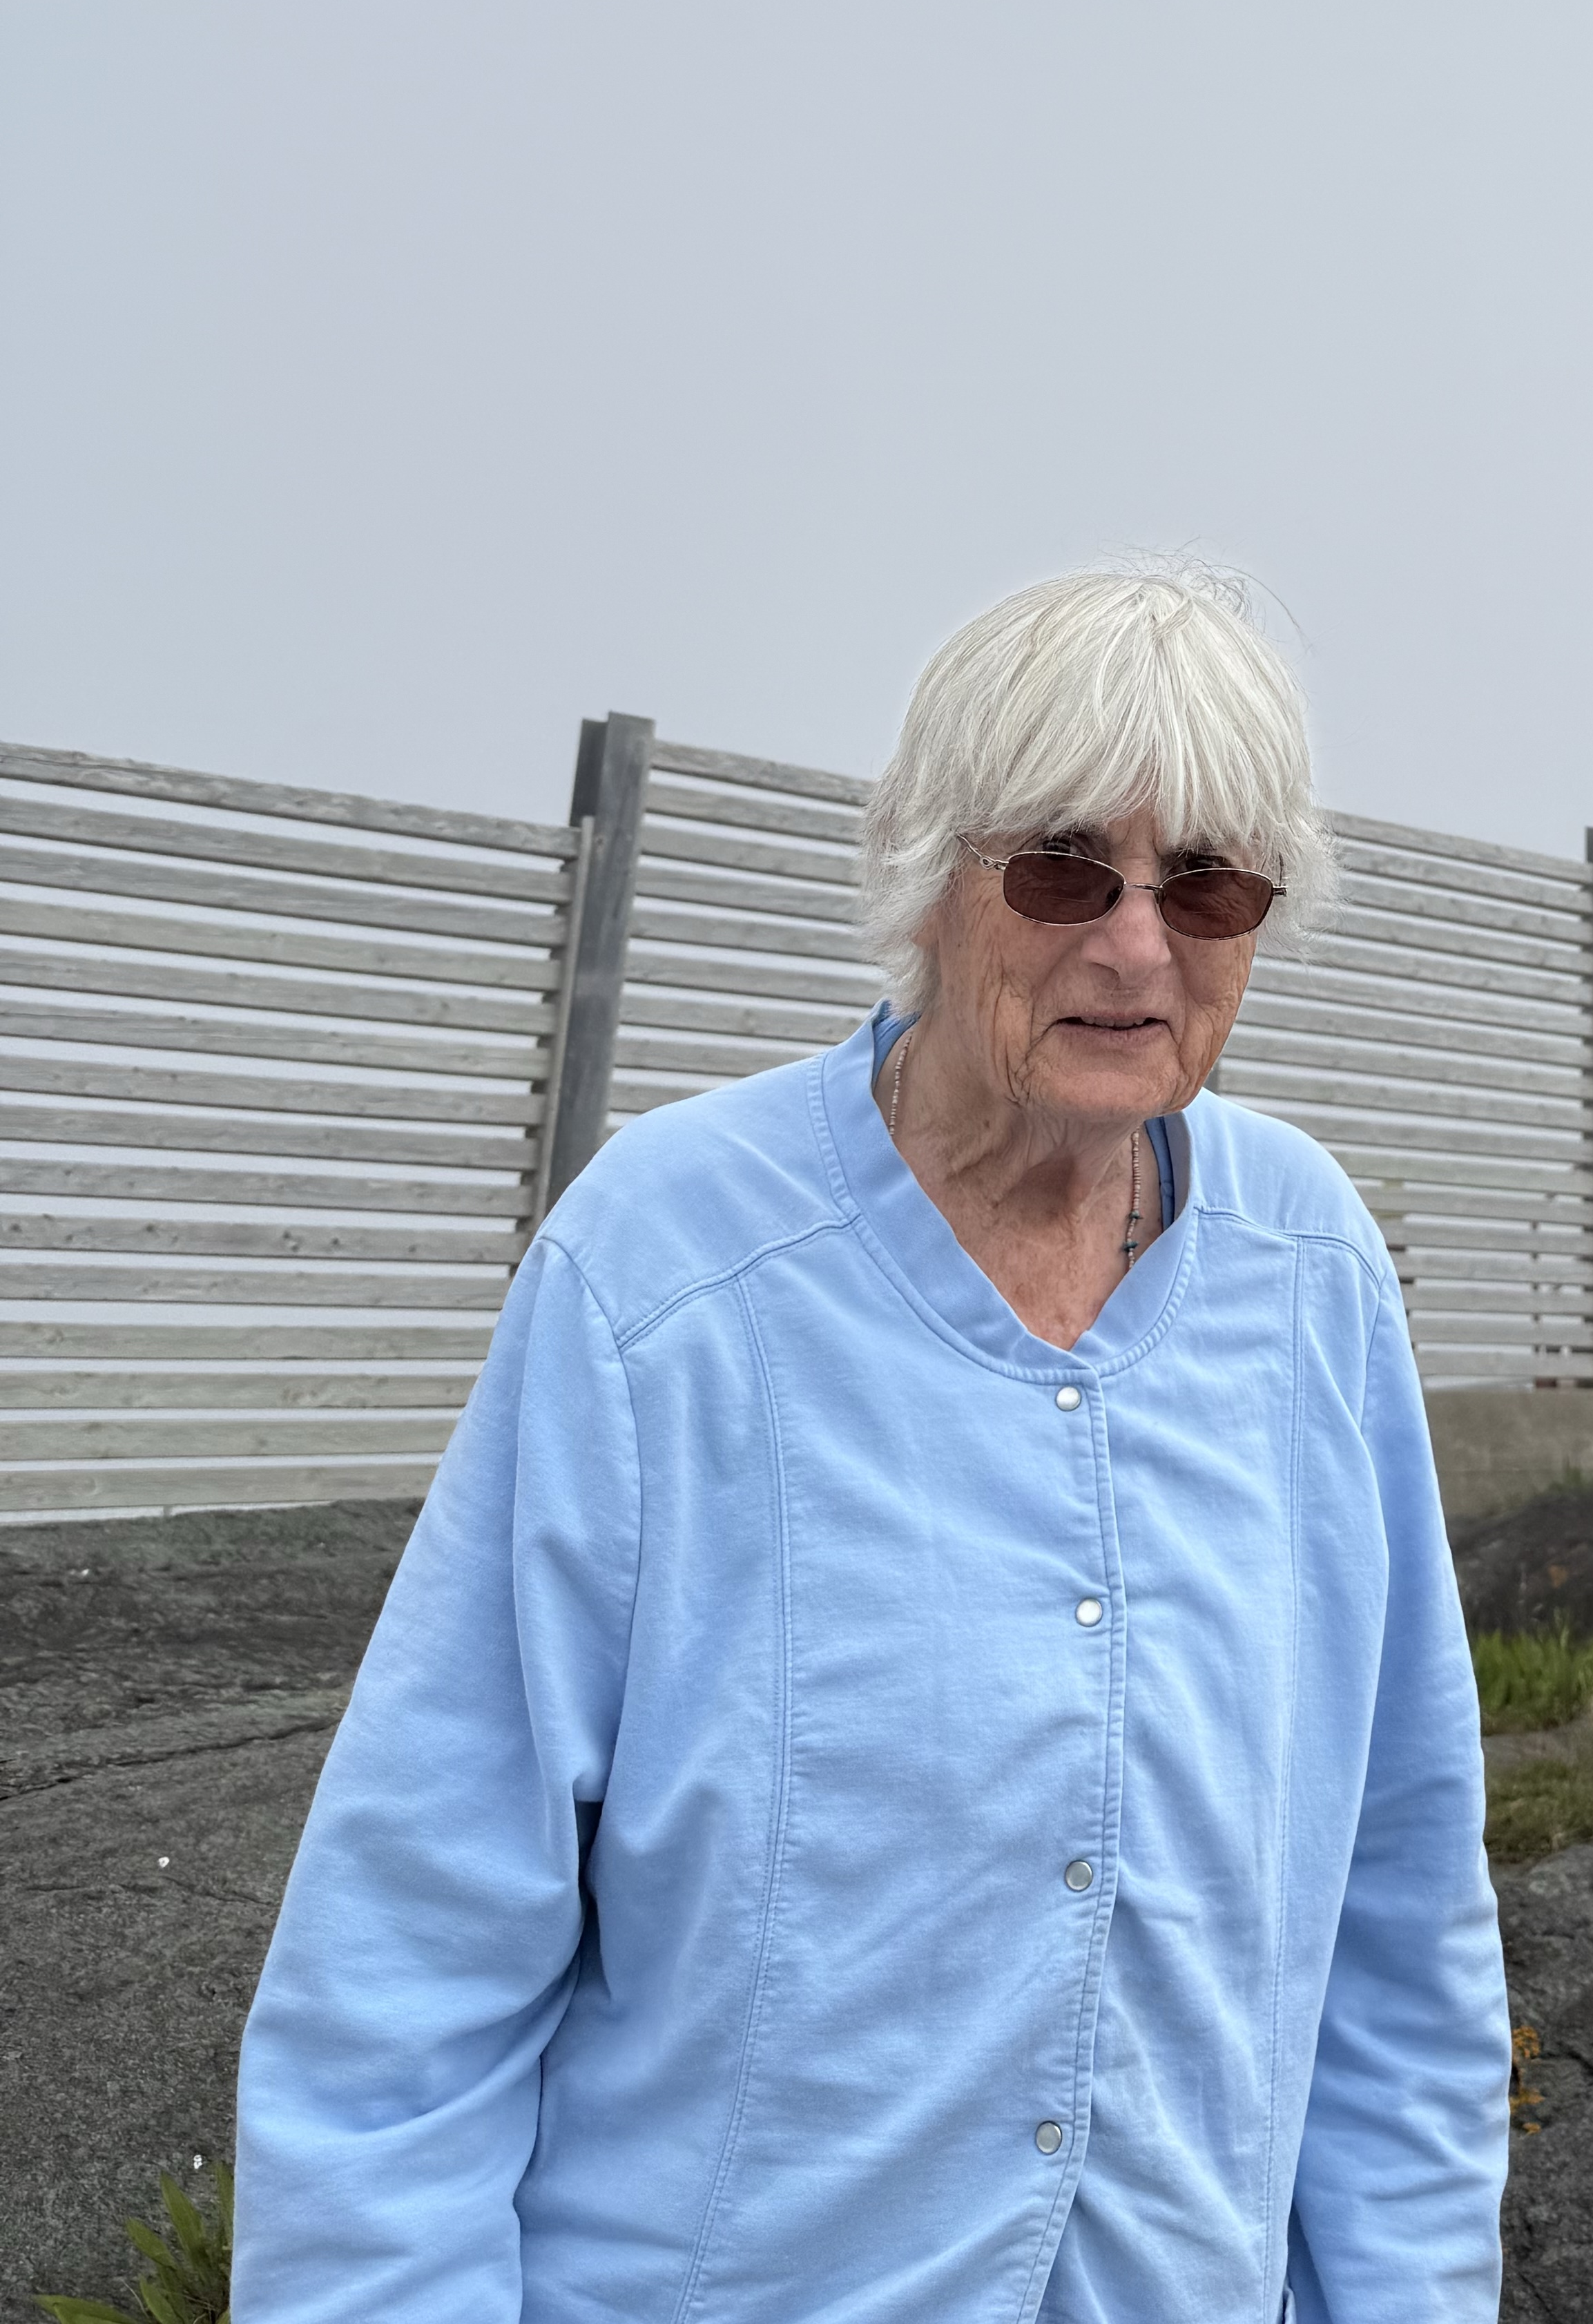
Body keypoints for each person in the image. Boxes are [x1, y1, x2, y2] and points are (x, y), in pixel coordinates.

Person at [235, 568, 1509, 2321]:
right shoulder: (664, 1267)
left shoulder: (1315, 1271)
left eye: (1208, 884)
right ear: (928, 878)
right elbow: (409, 1959)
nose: (1137, 947)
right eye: (1063, 869)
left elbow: (1402, 1914)